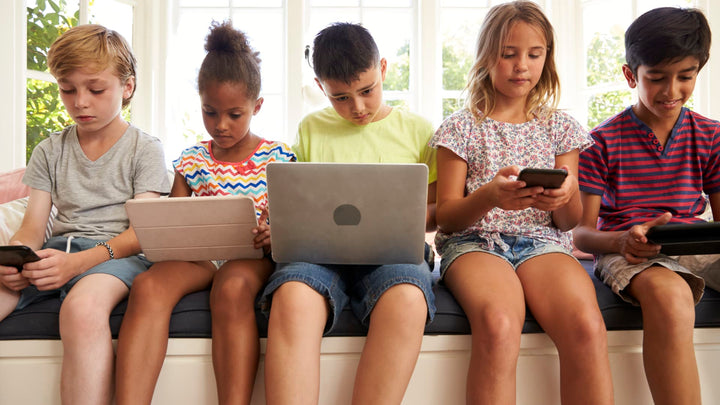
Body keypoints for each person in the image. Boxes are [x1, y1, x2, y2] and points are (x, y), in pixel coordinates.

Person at [430, 2, 614, 404]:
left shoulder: (561, 127)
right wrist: (490, 195)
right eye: (508, 54)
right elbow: (446, 217)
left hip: (544, 243)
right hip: (475, 243)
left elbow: (569, 223)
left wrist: (563, 198)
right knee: (498, 324)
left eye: (534, 54)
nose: (521, 66)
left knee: (586, 325)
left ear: (547, 58)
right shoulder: (459, 127)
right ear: (486, 57)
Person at [115, 21, 295, 405]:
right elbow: (175, 222)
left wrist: (273, 232)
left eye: (235, 114)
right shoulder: (192, 159)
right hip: (198, 258)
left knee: (231, 286)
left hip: (252, 256)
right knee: (147, 286)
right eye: (210, 113)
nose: (221, 125)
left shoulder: (278, 157)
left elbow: (292, 223)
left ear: (256, 107)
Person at [260, 22, 437, 405]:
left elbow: (438, 212)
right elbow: (296, 201)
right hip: (318, 254)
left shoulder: (419, 131)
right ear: (320, 86)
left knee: (408, 297)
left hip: (394, 255)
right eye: (339, 98)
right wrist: (279, 227)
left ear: (383, 68)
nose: (357, 107)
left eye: (367, 91)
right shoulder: (311, 129)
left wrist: (397, 220)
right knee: (292, 295)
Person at [0, 24, 170, 405]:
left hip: (116, 256)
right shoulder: (49, 150)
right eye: (67, 89)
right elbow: (31, 229)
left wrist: (75, 265)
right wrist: (15, 260)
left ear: (127, 87)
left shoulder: (145, 149)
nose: (80, 102)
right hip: (56, 252)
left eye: (95, 89)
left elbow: (139, 234)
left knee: (82, 308)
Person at [575, 7, 720, 405]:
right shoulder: (600, 142)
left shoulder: (710, 135)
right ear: (630, 75)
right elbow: (582, 233)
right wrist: (623, 240)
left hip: (696, 245)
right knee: (671, 299)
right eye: (656, 78)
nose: (671, 91)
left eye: (685, 77)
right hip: (630, 252)